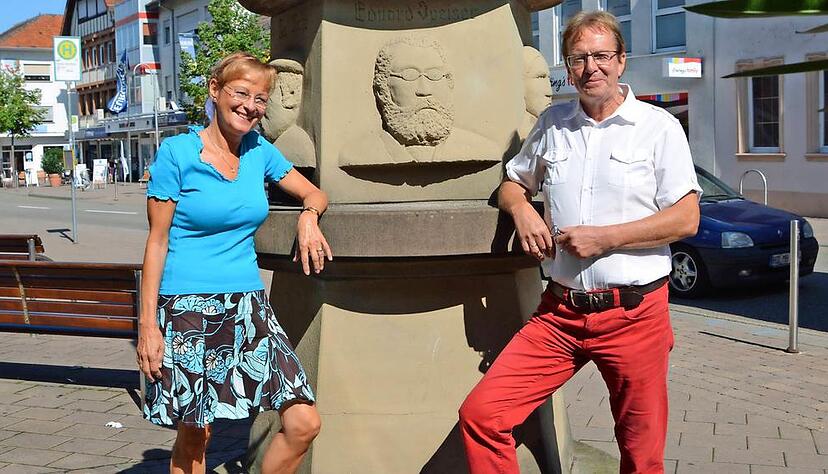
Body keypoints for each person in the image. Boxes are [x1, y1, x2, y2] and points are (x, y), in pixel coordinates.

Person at [459, 11, 701, 474]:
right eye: (578, 58)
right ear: (568, 67)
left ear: (621, 61)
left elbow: (686, 218)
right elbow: (513, 182)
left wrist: (605, 239)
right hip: (561, 315)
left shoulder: (658, 127)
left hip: (635, 315)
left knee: (641, 457)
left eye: (601, 55)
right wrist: (522, 208)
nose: (591, 67)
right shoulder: (553, 122)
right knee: (483, 415)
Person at [137, 52, 332, 474]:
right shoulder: (177, 153)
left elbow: (314, 193)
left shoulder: (260, 151)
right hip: (187, 307)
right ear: (215, 90)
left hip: (248, 305)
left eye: (261, 99)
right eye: (241, 93)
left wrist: (308, 217)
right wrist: (148, 327)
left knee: (303, 422)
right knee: (196, 435)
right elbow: (157, 242)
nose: (250, 106)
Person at [339, 36, 499, 168]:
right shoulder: (358, 153)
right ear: (383, 89)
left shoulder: (479, 148)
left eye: (434, 74)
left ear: (449, 82)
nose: (424, 90)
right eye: (409, 75)